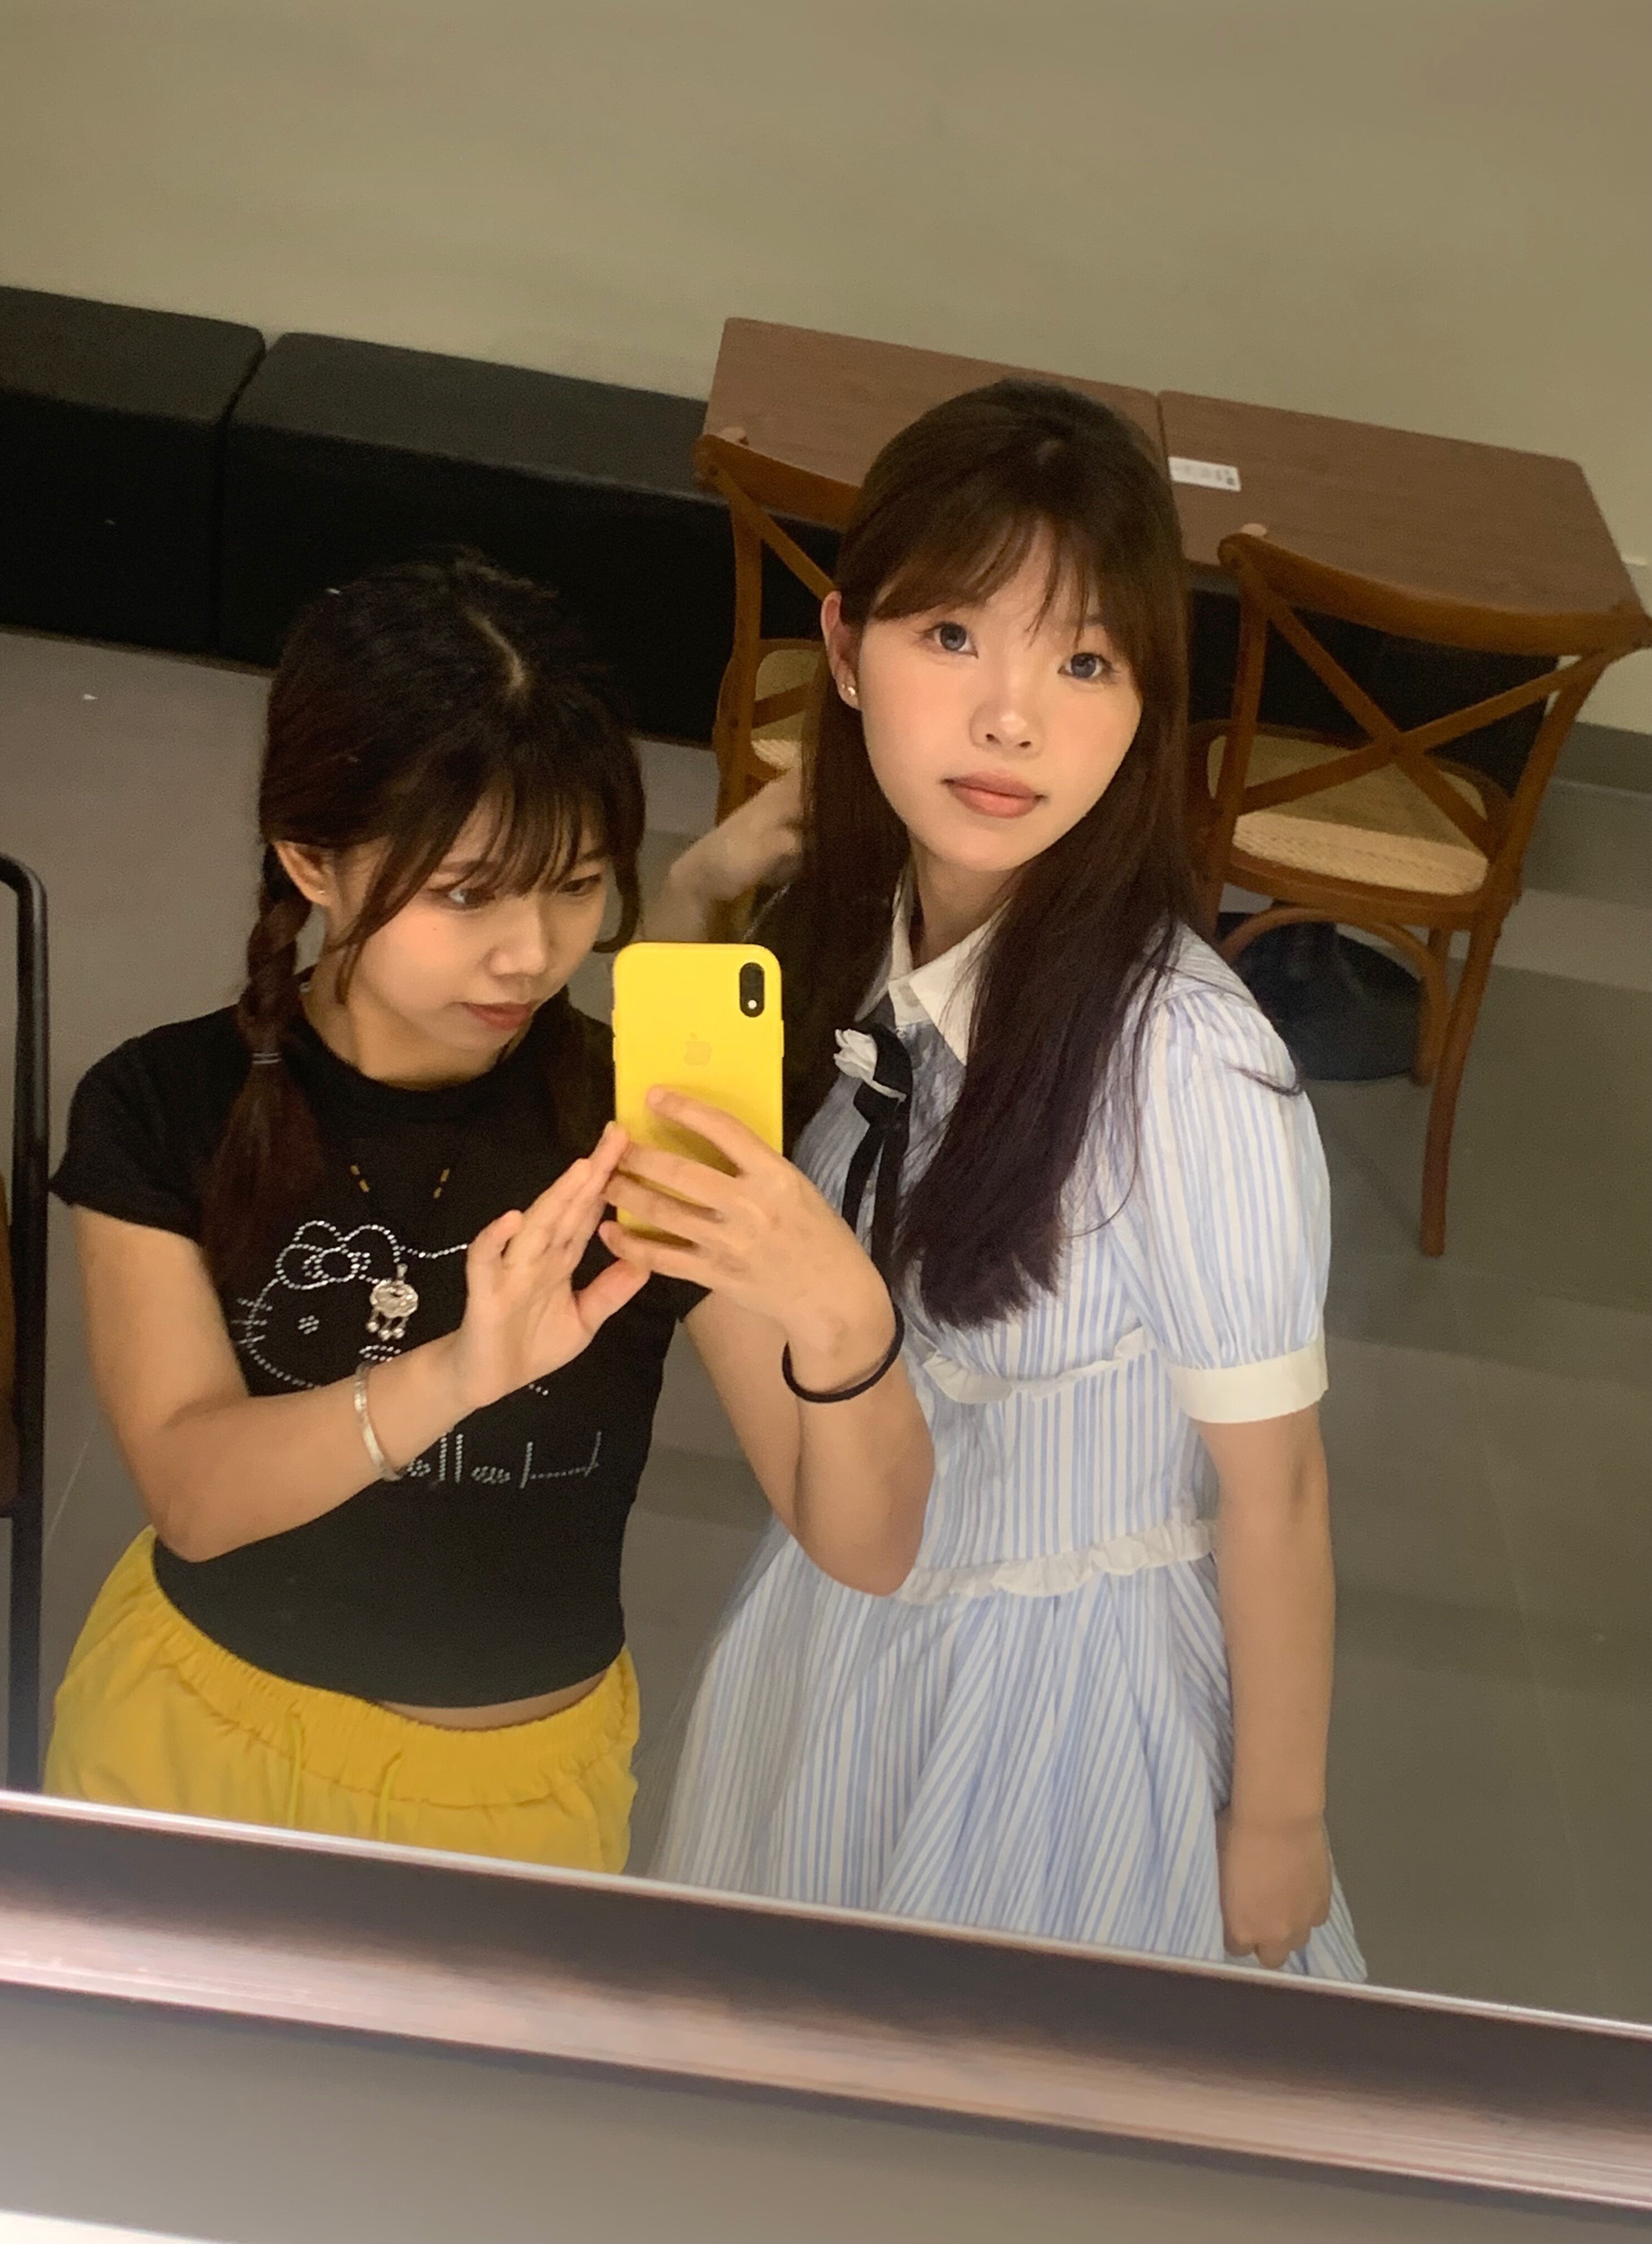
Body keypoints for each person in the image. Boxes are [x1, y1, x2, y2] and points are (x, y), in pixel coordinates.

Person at [47, 555, 930, 1870]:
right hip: (187, 1737)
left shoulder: (640, 1126)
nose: (531, 953)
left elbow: (867, 1547)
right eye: (467, 893)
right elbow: (195, 1496)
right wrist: (458, 1372)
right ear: (312, 857)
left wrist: (846, 1316)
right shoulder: (161, 1102)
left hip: (510, 1809)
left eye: (577, 885)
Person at [646, 383, 1364, 1976]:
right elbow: (692, 1171)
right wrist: (696, 889)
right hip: (839, 1638)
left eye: (1084, 661)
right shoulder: (851, 934)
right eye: (955, 635)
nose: (1011, 721)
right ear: (845, 652)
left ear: (1145, 706)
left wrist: (1279, 1819)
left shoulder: (1187, 1065)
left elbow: (1280, 1490)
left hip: (1069, 1698)